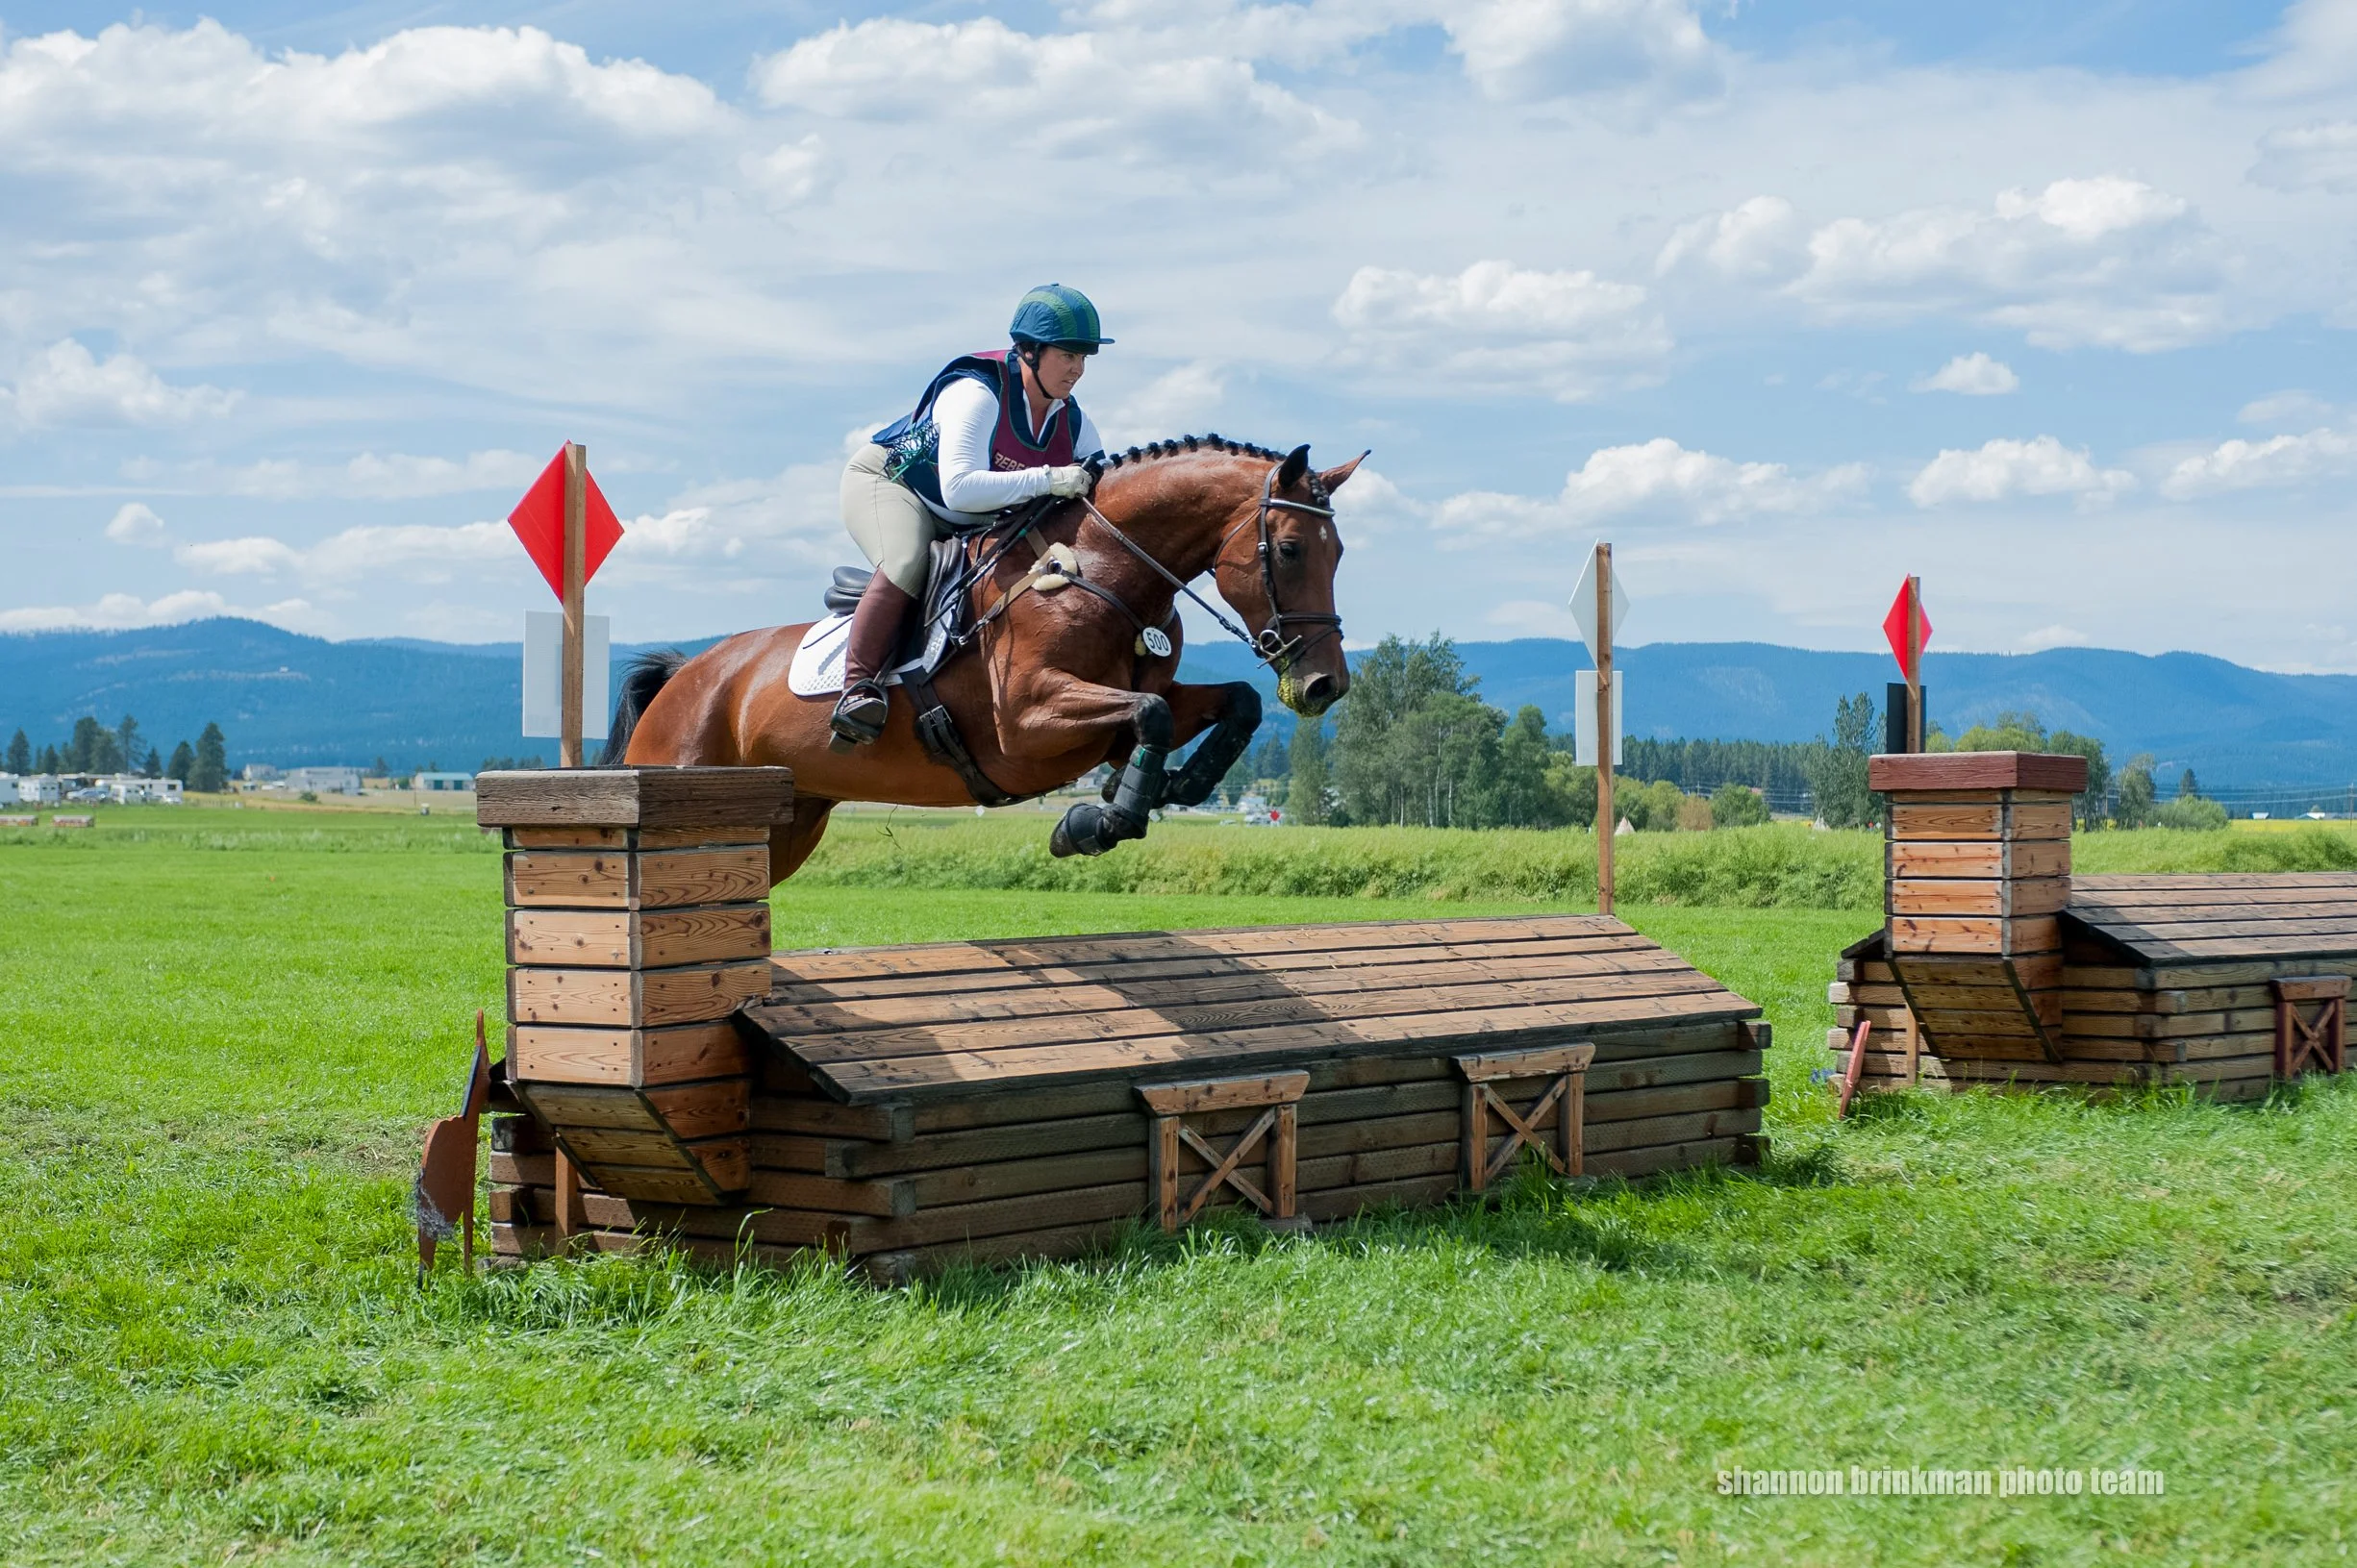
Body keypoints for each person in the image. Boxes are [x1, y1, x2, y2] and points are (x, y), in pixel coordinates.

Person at [829, 284, 1112, 746]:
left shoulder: (1074, 421)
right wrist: (1049, 478)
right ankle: (858, 688)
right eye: (1068, 355)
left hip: (969, 514)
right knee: (907, 560)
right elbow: (959, 490)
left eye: (1085, 358)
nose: (1078, 370)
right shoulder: (977, 393)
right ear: (1028, 351)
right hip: (894, 485)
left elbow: (1102, 494)